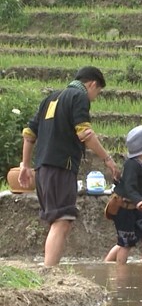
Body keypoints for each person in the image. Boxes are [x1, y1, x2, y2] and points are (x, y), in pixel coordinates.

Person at [18, 66, 119, 267]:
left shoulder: (50, 98)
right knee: (62, 220)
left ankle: (49, 269)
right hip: (60, 167)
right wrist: (107, 159)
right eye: (97, 93)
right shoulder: (78, 97)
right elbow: (85, 133)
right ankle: (49, 272)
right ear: (92, 84)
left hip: (42, 169)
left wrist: (25, 165)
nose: (94, 98)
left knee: (56, 220)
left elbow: (29, 134)